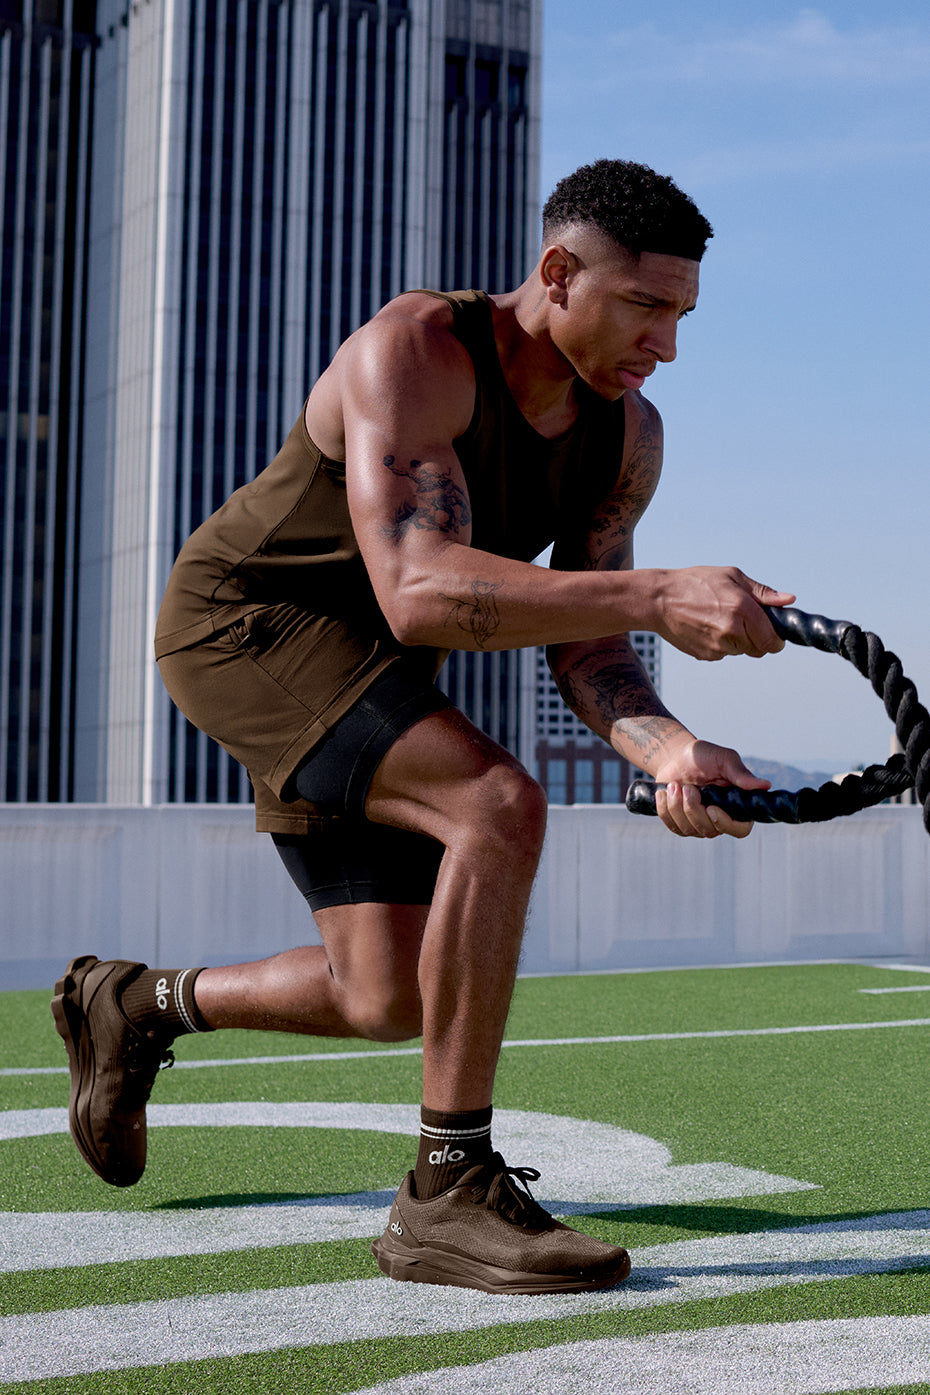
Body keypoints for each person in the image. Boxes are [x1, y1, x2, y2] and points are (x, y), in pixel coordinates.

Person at [51, 158, 794, 1296]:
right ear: (558, 273)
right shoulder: (415, 352)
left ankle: (132, 1001)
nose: (668, 344)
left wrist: (672, 749)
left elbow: (589, 649)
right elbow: (417, 587)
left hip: (376, 669)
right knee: (498, 804)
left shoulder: (628, 436)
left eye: (683, 314)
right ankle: (448, 1192)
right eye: (645, 305)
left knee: (387, 995)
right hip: (245, 627)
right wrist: (658, 594)